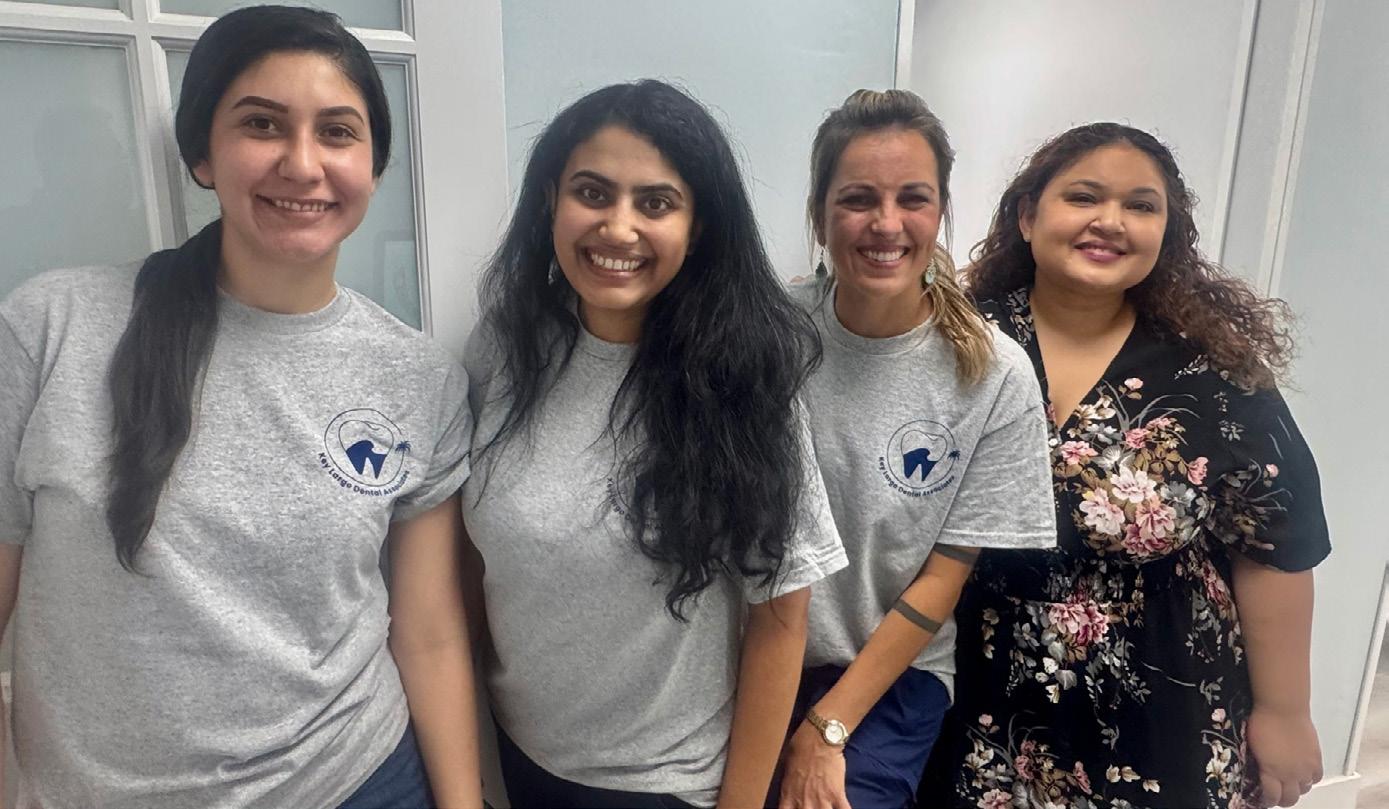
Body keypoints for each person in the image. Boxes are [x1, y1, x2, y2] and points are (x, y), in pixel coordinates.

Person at [0, 6, 481, 808]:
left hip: (357, 781)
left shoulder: (420, 377)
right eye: (262, 124)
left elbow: (428, 633)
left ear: (374, 165)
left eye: (337, 132)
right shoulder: (52, 328)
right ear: (202, 153)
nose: (302, 163)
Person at [461, 79, 849, 809]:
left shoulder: (747, 383)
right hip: (516, 757)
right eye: (592, 193)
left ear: (697, 227)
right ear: (550, 199)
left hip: (667, 786)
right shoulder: (505, 348)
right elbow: (469, 562)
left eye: (656, 203)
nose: (618, 228)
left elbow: (780, 619)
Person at [930, 122, 1330, 809]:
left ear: (1165, 234)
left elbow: (1277, 547)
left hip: (1162, 706)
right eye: (1083, 197)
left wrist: (1286, 712)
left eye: (1140, 206)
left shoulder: (1213, 372)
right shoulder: (953, 342)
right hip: (975, 698)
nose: (1110, 221)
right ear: (1027, 216)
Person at [775, 89, 1056, 809]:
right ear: (817, 215)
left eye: (913, 199)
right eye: (857, 199)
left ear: (940, 213)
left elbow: (941, 580)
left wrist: (828, 727)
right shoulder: (769, 336)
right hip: (756, 650)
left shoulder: (991, 374)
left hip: (890, 674)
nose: (886, 223)